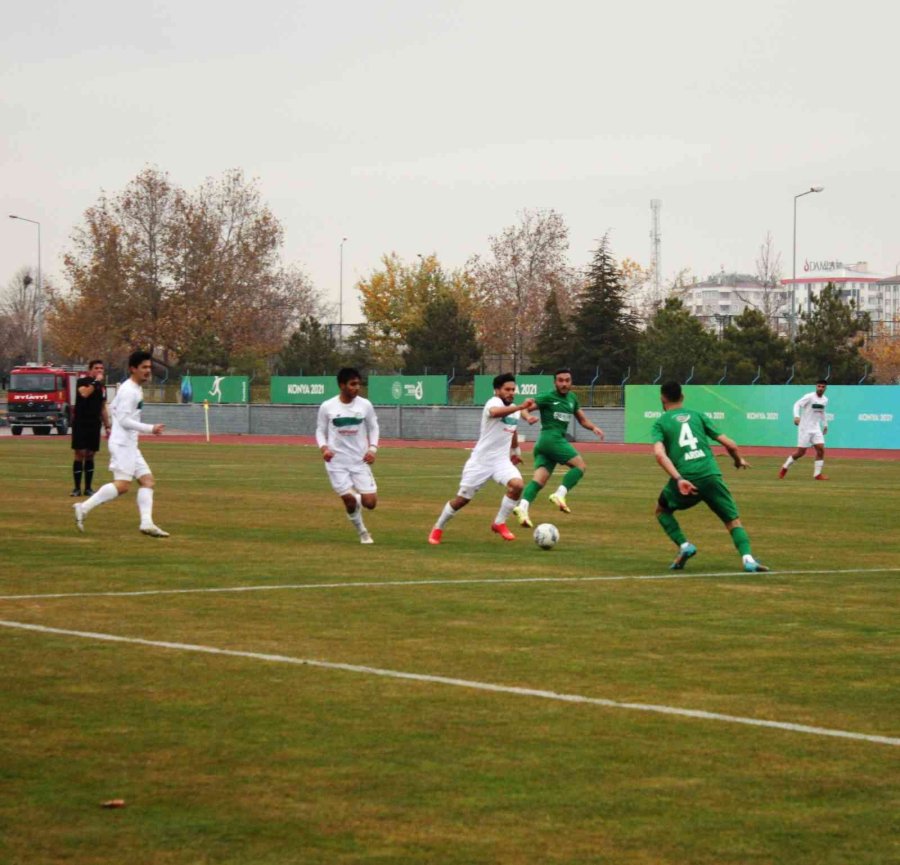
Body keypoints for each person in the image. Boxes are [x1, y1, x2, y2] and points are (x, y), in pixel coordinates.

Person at [652, 381, 768, 573]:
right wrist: (738, 460)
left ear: (662, 398)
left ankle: (684, 545)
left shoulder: (660, 423)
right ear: (682, 397)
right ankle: (747, 559)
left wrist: (679, 479)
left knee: (661, 510)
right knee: (732, 521)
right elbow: (730, 445)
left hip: (687, 478)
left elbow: (659, 454)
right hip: (711, 474)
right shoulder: (698, 416)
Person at [428, 373, 535, 545]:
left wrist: (515, 451)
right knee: (462, 500)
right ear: (497, 390)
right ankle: (438, 527)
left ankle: (499, 523)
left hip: (501, 461)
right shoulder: (493, 403)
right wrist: (521, 407)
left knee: (517, 485)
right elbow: (495, 413)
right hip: (480, 461)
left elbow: (512, 429)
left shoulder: (514, 410)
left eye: (513, 390)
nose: (511, 393)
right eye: (507, 389)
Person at [72, 350, 169, 537]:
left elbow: (114, 407)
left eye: (149, 367)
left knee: (147, 481)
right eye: (144, 367)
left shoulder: (134, 388)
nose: (148, 371)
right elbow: (124, 420)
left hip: (129, 444)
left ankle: (147, 523)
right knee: (123, 486)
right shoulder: (129, 391)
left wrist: (114, 426)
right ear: (133, 369)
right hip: (122, 444)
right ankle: (83, 507)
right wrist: (150, 428)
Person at [512, 368, 604, 528]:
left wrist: (594, 428)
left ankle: (522, 506)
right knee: (580, 466)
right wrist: (528, 417)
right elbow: (524, 407)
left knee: (539, 481)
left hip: (545, 444)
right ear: (555, 382)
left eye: (567, 380)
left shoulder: (572, 399)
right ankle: (559, 494)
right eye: (560, 380)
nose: (564, 383)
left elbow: (582, 420)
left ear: (571, 382)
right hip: (551, 439)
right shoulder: (548, 396)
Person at [316, 367, 380, 544]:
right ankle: (363, 533)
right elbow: (320, 431)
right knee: (350, 502)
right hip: (336, 462)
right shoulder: (328, 406)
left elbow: (374, 427)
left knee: (370, 503)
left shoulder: (365, 405)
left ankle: (358, 499)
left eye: (358, 384)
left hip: (359, 461)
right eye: (352, 384)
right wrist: (324, 449)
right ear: (341, 385)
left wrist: (372, 449)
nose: (357, 387)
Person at [70, 359, 111, 496]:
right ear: (90, 370)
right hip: (81, 422)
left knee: (90, 454)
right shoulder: (82, 382)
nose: (99, 371)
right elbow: (84, 393)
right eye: (96, 368)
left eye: (101, 368)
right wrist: (95, 382)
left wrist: (107, 426)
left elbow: (102, 407)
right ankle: (76, 488)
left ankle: (88, 488)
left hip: (94, 423)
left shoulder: (102, 387)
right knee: (79, 453)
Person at [779, 380, 829, 480]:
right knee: (800, 453)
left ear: (825, 388)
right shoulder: (809, 396)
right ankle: (785, 467)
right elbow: (797, 404)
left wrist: (825, 424)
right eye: (819, 386)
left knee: (821, 450)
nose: (820, 388)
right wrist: (796, 416)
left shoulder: (825, 400)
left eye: (823, 387)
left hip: (816, 428)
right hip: (805, 428)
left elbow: (822, 412)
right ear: (816, 387)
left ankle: (817, 474)